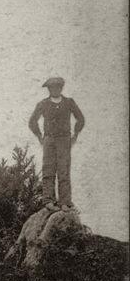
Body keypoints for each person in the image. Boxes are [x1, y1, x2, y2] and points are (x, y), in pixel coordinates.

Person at [28, 76, 86, 212]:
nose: (55, 90)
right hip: (49, 140)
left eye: (58, 87)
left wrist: (75, 135)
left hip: (64, 141)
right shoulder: (43, 104)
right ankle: (48, 200)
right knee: (48, 170)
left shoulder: (69, 102)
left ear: (61, 88)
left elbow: (81, 119)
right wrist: (39, 137)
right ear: (49, 89)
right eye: (52, 87)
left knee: (63, 170)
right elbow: (32, 122)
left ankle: (65, 202)